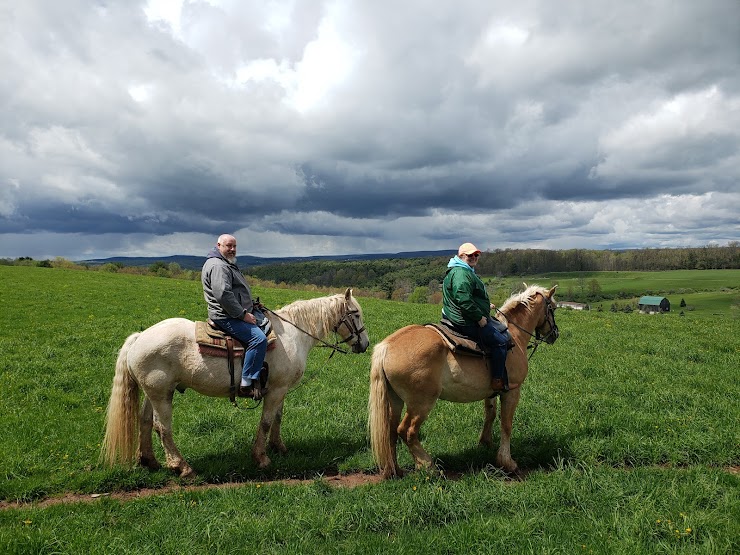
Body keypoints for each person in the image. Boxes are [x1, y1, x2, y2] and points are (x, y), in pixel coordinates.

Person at [202, 234, 268, 400]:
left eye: (234, 246)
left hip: (231, 312)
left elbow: (235, 291)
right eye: (228, 246)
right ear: (218, 245)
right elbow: (223, 295)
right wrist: (243, 315)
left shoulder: (224, 262)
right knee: (258, 339)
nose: (232, 249)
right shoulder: (219, 266)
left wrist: (251, 305)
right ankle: (246, 384)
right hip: (226, 316)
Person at [441, 242, 510, 391]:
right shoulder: (461, 273)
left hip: (454, 315)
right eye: (469, 255)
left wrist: (486, 305)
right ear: (461, 256)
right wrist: (479, 317)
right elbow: (463, 300)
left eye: (476, 255)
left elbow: (469, 295)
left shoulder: (463, 270)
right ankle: (497, 380)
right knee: (500, 341)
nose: (473, 258)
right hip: (464, 320)